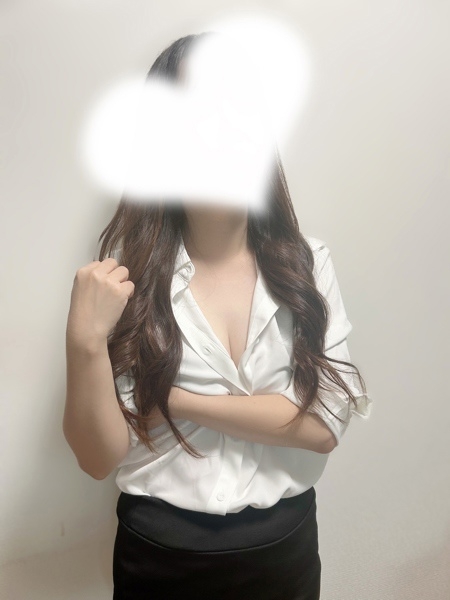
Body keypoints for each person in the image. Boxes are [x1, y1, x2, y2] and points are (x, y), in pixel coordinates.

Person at [63, 32, 372, 600]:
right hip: (157, 556)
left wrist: (170, 400)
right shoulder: (121, 281)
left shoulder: (308, 265)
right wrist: (83, 344)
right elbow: (98, 457)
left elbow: (324, 427)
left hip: (285, 553)